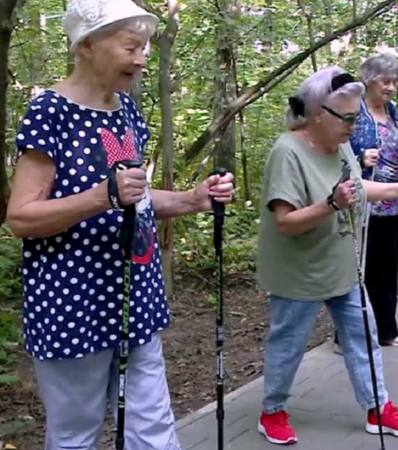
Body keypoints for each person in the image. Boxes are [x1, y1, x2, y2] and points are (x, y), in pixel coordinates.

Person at [6, 1, 236, 449]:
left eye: (145, 47)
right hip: (72, 304)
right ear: (86, 45)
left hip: (136, 297)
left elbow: (136, 198)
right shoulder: (49, 112)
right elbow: (20, 217)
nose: (142, 58)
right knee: (75, 434)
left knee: (152, 429)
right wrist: (100, 197)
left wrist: (193, 199)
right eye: (131, 46)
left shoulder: (127, 112)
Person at [255, 66, 398, 445]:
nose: (354, 125)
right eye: (348, 117)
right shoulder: (287, 151)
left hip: (342, 264)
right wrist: (331, 205)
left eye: (356, 116)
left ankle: (377, 407)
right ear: (319, 114)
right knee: (288, 344)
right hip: (297, 270)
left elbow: (358, 187)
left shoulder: (342, 145)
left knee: (363, 334)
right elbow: (285, 221)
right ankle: (272, 411)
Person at [332, 53, 398, 351]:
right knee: (360, 271)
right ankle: (347, 336)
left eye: (395, 81)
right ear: (369, 80)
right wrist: (358, 159)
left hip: (392, 200)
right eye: (386, 81)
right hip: (361, 202)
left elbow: (397, 155)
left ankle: (386, 330)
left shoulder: (392, 111)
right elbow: (334, 156)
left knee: (385, 269)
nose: (392, 87)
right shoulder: (353, 112)